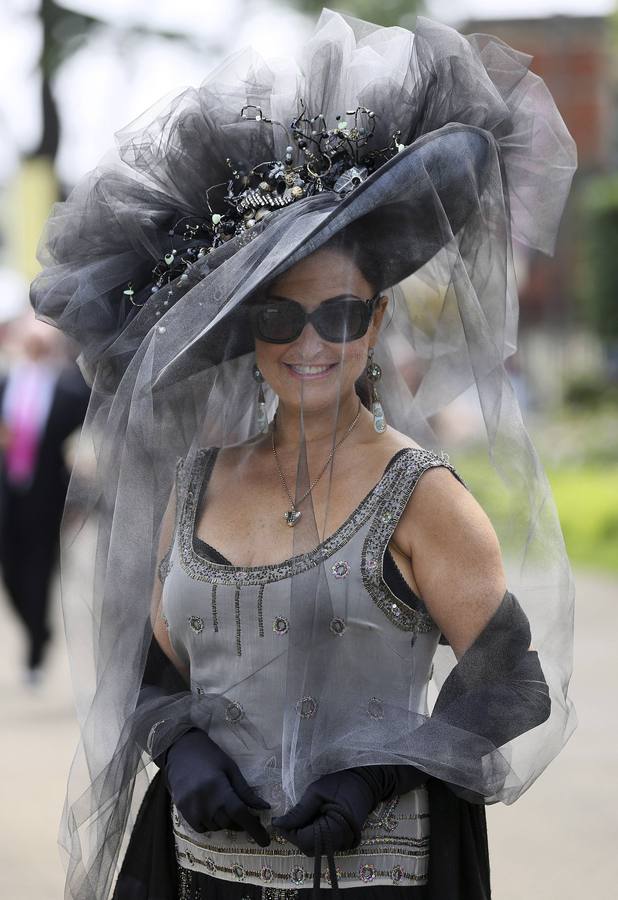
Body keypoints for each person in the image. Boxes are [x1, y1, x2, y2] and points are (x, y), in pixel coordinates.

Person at [30, 10, 577, 900]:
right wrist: (183, 742)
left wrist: (377, 771)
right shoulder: (197, 483)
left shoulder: (420, 493)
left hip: (371, 878)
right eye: (281, 315)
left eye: (342, 314)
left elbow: (509, 683)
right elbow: (156, 671)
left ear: (378, 323)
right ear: (251, 329)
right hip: (203, 873)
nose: (311, 341)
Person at [0, 315, 89, 682]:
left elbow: (91, 420)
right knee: (11, 574)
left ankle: (37, 647)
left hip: (45, 497)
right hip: (7, 496)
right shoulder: (6, 384)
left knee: (38, 573)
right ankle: (37, 629)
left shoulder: (67, 390)